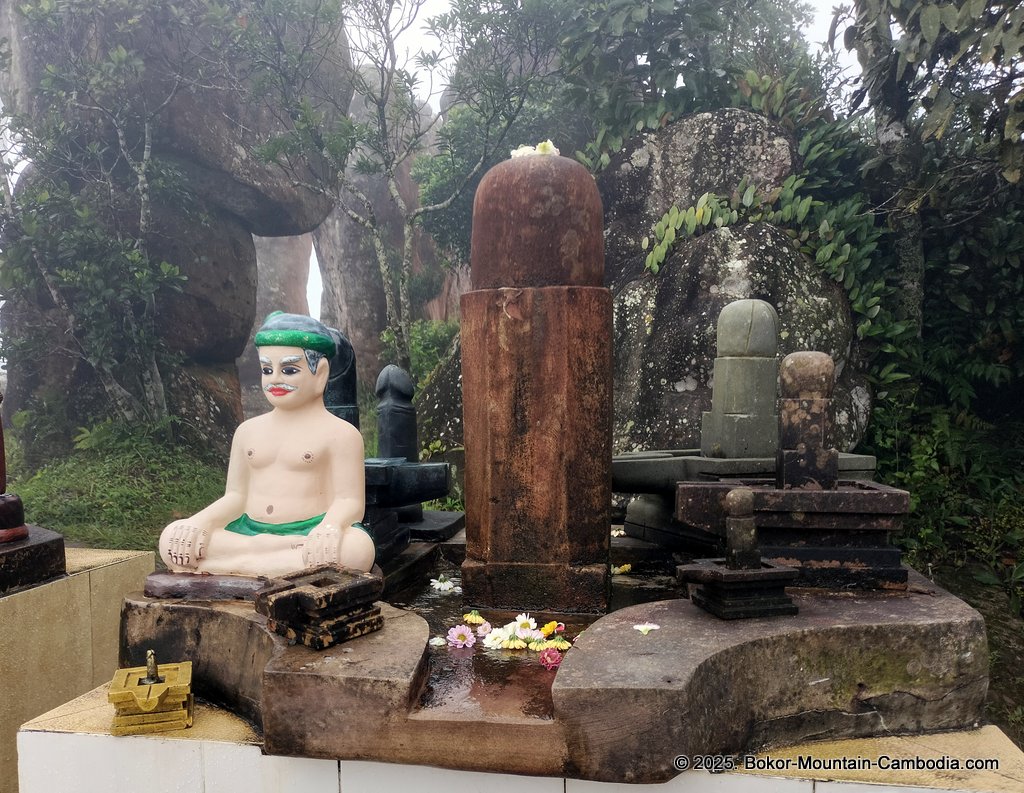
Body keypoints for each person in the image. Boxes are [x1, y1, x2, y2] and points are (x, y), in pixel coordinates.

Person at [159, 313, 375, 577]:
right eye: (267, 369)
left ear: (320, 374)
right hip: (252, 534)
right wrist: (198, 521)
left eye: (289, 370)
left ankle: (226, 568)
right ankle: (276, 566)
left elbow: (349, 501)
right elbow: (236, 497)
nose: (274, 380)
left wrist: (329, 527)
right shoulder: (247, 431)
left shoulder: (341, 434)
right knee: (172, 538)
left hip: (308, 533)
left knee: (356, 550)